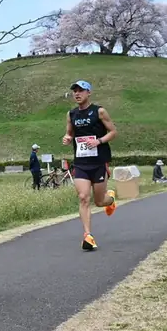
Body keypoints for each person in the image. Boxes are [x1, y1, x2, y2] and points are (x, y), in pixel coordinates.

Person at [62, 80, 118, 251]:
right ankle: (88, 235)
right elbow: (69, 133)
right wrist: (67, 138)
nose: (77, 94)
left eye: (81, 90)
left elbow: (113, 132)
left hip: (99, 162)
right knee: (83, 197)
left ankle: (111, 199)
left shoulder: (99, 111)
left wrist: (98, 141)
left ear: (89, 93)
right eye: (75, 91)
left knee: (100, 201)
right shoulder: (71, 114)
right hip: (81, 163)